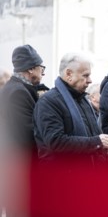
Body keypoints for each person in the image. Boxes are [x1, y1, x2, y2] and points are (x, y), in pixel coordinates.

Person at [33, 52, 108, 168]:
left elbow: (94, 133)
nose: (90, 80)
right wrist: (96, 142)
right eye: (85, 75)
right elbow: (56, 142)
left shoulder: (83, 100)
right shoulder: (49, 102)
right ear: (69, 74)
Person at [0, 44, 45, 217]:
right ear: (31, 69)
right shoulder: (18, 92)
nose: (42, 72)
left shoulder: (15, 88)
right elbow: (27, 134)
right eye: (41, 68)